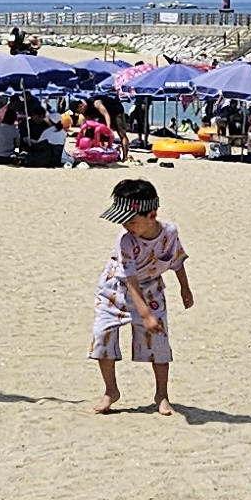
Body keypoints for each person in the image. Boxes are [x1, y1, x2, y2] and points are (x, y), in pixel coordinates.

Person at [92, 177, 197, 414]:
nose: (126, 226)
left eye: (131, 221)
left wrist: (185, 288)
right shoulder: (125, 240)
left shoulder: (169, 232)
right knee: (102, 335)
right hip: (115, 290)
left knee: (159, 342)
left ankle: (162, 394)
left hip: (151, 289)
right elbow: (129, 278)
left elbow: (176, 259)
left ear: (152, 215)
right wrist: (145, 315)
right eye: (122, 221)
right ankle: (111, 391)